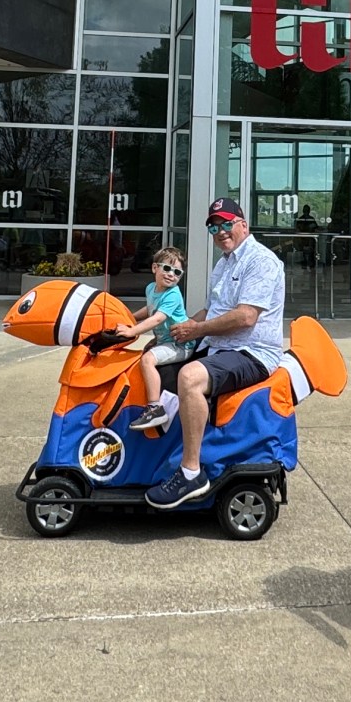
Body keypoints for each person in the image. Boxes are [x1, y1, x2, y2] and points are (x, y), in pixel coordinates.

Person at [145, 201, 284, 508]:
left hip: (252, 352)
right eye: (214, 227)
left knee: (189, 377)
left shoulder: (261, 261)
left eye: (227, 224)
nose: (221, 232)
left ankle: (191, 472)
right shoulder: (223, 263)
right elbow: (211, 312)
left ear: (243, 225)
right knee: (158, 364)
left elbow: (246, 317)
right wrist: (178, 331)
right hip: (219, 346)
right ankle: (159, 458)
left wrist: (196, 330)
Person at [124, 247, 191, 434]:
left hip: (180, 344)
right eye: (167, 268)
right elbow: (150, 309)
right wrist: (129, 318)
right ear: (155, 268)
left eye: (177, 272)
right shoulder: (151, 288)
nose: (171, 274)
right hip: (164, 340)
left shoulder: (173, 294)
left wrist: (132, 331)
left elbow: (157, 318)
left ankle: (155, 408)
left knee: (148, 360)